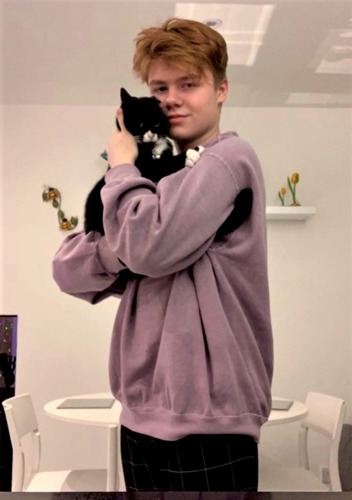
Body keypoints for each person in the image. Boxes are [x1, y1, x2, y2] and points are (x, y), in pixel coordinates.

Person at [52, 17, 273, 492]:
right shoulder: (154, 186)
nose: (171, 98)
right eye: (160, 86)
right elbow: (68, 270)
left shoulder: (226, 160)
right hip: (141, 414)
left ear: (222, 89)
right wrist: (132, 241)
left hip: (208, 419)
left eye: (189, 83)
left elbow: (148, 249)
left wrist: (121, 165)